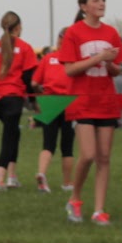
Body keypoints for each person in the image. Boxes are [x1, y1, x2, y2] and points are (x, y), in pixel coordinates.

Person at [57, 0, 122, 226]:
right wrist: (98, 58)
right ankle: (75, 198)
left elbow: (118, 68)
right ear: (84, 7)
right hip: (83, 102)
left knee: (104, 157)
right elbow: (69, 69)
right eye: (96, 0)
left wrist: (110, 64)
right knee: (88, 155)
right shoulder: (74, 33)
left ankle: (99, 210)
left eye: (103, 0)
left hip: (106, 101)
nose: (101, 4)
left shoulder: (111, 32)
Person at [0, 12, 37, 193]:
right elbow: (28, 77)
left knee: (13, 133)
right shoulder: (25, 47)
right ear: (18, 27)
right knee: (9, 137)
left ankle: (12, 177)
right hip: (13, 97)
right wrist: (33, 100)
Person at [33, 36, 76, 194]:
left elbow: (34, 83)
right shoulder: (74, 60)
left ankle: (42, 173)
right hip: (68, 102)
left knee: (48, 144)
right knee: (67, 147)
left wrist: (40, 97)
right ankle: (67, 182)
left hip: (49, 101)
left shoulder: (47, 58)